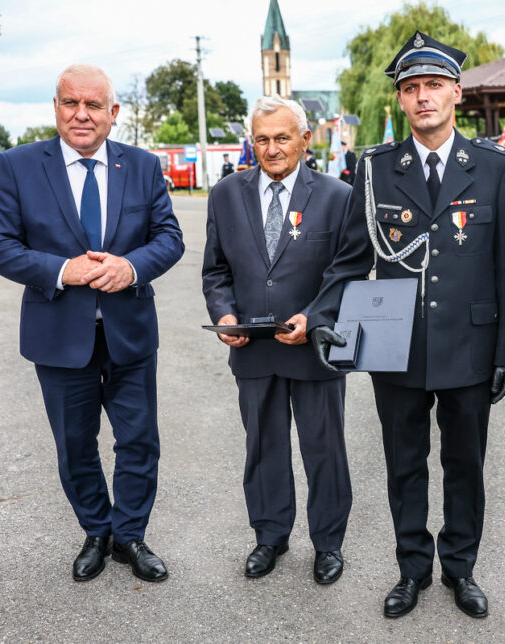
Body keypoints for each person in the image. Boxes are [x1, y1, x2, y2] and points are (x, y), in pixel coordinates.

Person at [306, 31, 505, 620]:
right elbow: (352, 258)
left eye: (433, 85)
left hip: (471, 346)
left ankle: (461, 569)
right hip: (394, 344)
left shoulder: (496, 168)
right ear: (400, 100)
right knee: (404, 463)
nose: (423, 97)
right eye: (411, 88)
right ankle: (411, 569)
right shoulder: (374, 168)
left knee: (464, 465)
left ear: (456, 91)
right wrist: (326, 316)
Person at [0, 64, 184, 584]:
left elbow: (169, 236)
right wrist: (61, 270)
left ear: (113, 114)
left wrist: (130, 266)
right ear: (55, 108)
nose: (82, 115)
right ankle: (97, 530)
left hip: (130, 331)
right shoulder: (19, 165)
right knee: (75, 445)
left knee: (139, 442)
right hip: (58, 336)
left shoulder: (141, 166)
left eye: (94, 105)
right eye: (71, 103)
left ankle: (130, 536)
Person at [202, 95, 353, 584]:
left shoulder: (336, 195)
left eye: (282, 137)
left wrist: (314, 316)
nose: (271, 148)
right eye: (262, 138)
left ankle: (328, 544)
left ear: (305, 140)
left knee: (324, 449)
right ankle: (270, 536)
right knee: (263, 446)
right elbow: (216, 270)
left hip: (313, 348)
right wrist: (223, 314)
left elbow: (345, 272)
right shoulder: (226, 193)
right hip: (253, 349)